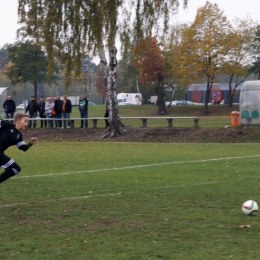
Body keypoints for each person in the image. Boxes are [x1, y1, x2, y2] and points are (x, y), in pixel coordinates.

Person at [0, 112, 38, 184]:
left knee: (16, 169)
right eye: (25, 121)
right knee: (15, 168)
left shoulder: (18, 135)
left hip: (0, 154)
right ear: (18, 121)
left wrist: (30, 143)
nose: (27, 124)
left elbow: (24, 148)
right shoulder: (7, 125)